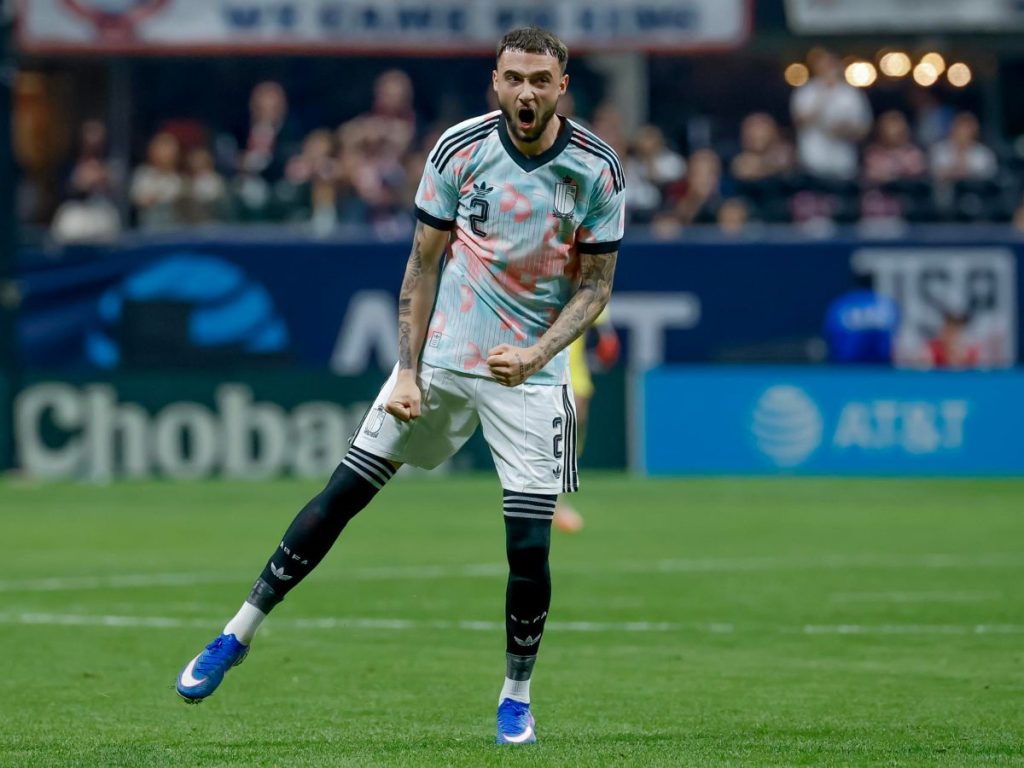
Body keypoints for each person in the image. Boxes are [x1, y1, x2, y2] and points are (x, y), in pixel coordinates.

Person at [174, 26, 625, 748]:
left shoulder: (595, 169)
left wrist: (539, 350)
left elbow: (597, 287)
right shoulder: (458, 150)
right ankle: (235, 634)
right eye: (515, 78)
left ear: (562, 85)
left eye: (542, 79)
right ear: (496, 80)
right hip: (444, 358)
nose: (527, 92)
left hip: (530, 377)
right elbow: (422, 267)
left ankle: (516, 695)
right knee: (341, 496)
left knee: (530, 548)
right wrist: (409, 370)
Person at [552, 309, 620, 533]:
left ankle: (555, 499)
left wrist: (597, 358)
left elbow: (608, 344)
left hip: (577, 375)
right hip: (545, 370)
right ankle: (554, 503)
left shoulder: (590, 290)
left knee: (570, 438)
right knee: (553, 436)